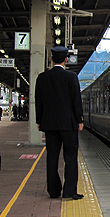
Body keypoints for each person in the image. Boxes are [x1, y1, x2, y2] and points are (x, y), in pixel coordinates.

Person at [35, 46, 84, 200]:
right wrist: (79, 120)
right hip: (68, 124)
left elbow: (38, 102)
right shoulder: (71, 77)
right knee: (70, 156)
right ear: (66, 60)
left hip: (49, 124)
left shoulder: (42, 78)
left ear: (51, 59)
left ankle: (53, 191)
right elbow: (76, 101)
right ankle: (69, 191)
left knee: (52, 157)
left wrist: (39, 120)